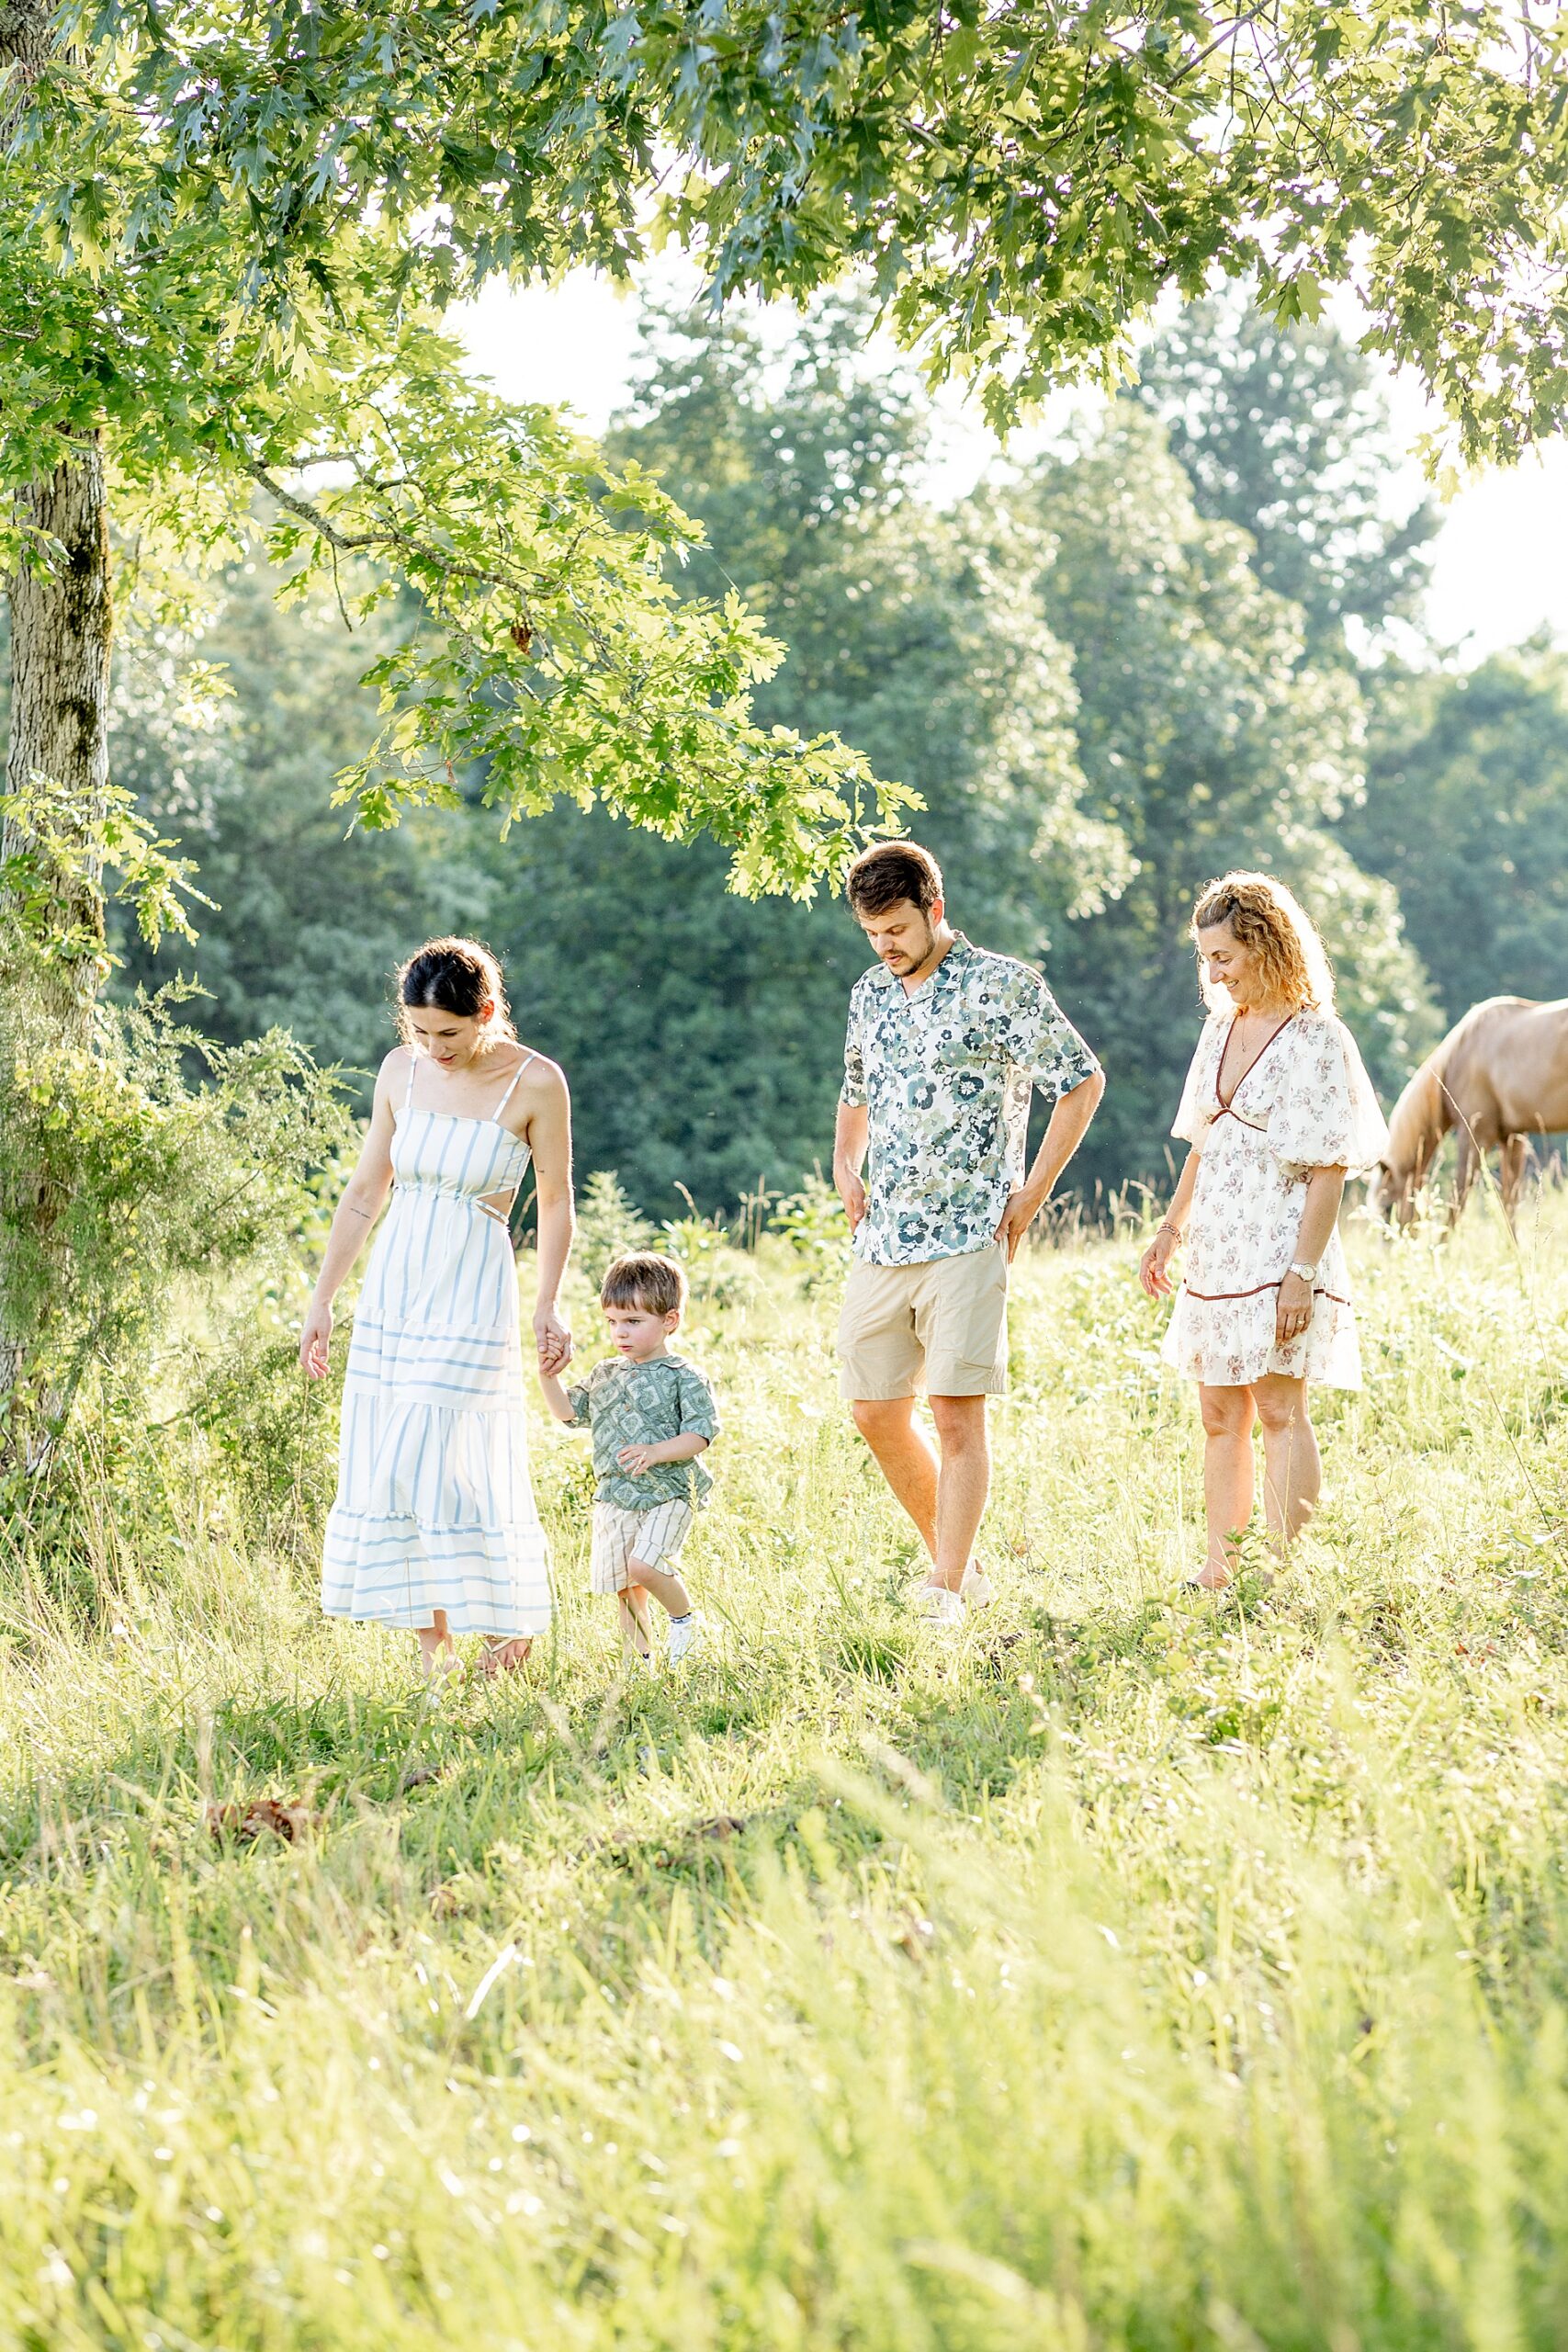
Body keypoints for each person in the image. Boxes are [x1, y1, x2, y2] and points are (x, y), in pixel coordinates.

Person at [833, 841, 1104, 1624]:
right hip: (885, 1236)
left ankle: (945, 1592)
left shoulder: (1003, 987)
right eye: (871, 932)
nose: (885, 945)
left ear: (933, 908)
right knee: (874, 1409)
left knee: (954, 1413)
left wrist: (1032, 1194)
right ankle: (960, 1566)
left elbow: (1081, 1082)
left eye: (896, 928)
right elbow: (853, 1089)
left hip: (967, 1231)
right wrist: (845, 1166)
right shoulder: (869, 994)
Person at [299, 937, 575, 1679]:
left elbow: (553, 1202)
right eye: (420, 1031)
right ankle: (437, 1653)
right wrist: (323, 1301)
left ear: (486, 1012)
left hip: (473, 1283)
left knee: (437, 1455)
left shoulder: (536, 1082)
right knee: (397, 1466)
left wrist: (548, 1304)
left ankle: (506, 1621)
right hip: (397, 1282)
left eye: (448, 1033)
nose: (433, 1047)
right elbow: (365, 1193)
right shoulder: (400, 1072)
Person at [1139, 872, 1390, 1589]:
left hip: (1282, 1246)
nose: (1212, 975)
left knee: (1279, 1406)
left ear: (1267, 947)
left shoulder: (1316, 1037)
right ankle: (1221, 1569)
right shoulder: (1219, 1028)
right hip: (1218, 1245)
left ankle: (1283, 1573)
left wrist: (1299, 1275)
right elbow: (1202, 1142)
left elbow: (1327, 1170)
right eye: (1206, 960)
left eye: (1223, 958)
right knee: (1219, 1411)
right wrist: (1168, 1231)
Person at [539, 1252, 718, 1666]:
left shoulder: (682, 1375)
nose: (620, 1332)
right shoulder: (605, 1374)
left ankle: (685, 1621)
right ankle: (640, 1662)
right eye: (613, 1321)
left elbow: (700, 1435)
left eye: (633, 1322)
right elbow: (569, 1414)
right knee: (625, 1584)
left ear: (669, 1320)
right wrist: (549, 1376)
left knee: (644, 1566)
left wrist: (657, 1452)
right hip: (617, 1495)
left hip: (669, 1492)